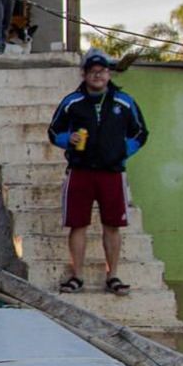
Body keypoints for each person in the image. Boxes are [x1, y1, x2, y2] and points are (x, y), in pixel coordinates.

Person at [47, 49, 148, 296]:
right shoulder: (72, 102)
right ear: (84, 74)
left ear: (108, 73)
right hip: (80, 171)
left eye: (101, 71)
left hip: (112, 172)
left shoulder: (124, 102)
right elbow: (53, 132)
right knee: (77, 225)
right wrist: (67, 139)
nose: (97, 75)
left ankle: (112, 276)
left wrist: (122, 151)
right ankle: (77, 276)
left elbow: (140, 133)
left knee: (112, 225)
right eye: (92, 71)